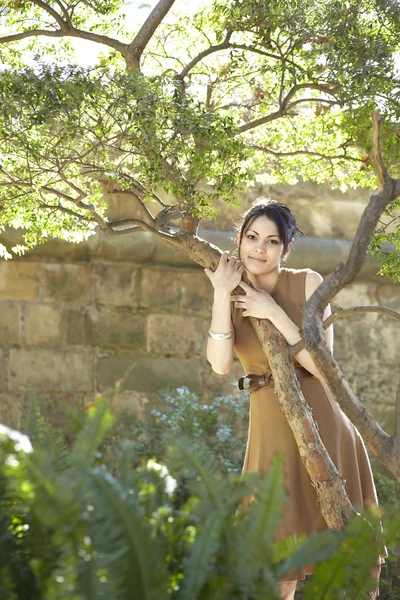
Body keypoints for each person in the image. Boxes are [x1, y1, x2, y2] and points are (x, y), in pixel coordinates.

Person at [204, 198, 383, 600]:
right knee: (275, 566)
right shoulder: (230, 292)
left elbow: (322, 367)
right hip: (271, 435)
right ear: (239, 239)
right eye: (251, 237)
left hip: (326, 429)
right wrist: (220, 292)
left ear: (286, 249)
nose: (259, 249)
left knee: (350, 563)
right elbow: (219, 364)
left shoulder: (306, 282)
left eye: (271, 241)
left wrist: (270, 310)